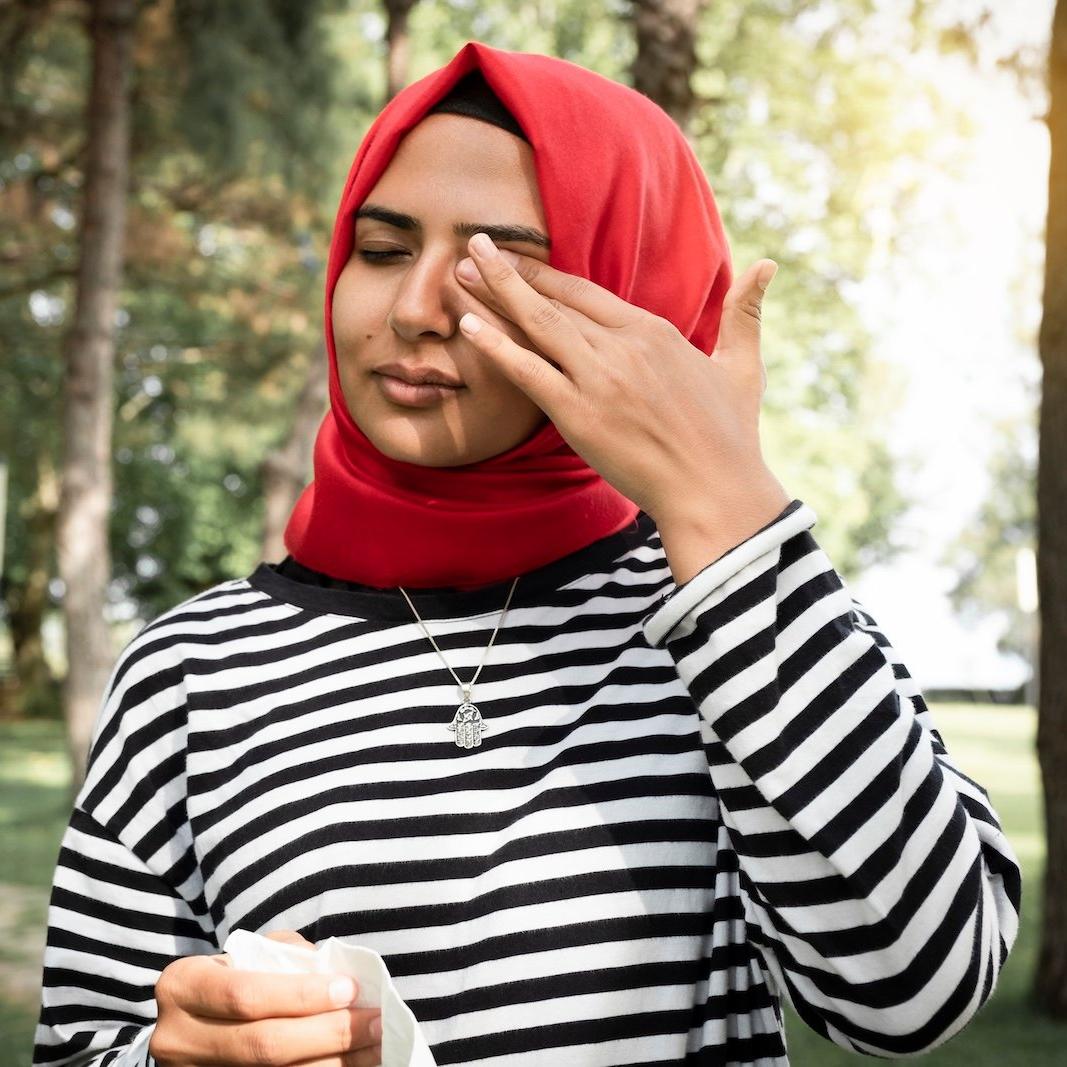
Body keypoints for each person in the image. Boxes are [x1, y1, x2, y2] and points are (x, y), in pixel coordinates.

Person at [32, 40, 1020, 1067]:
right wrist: (176, 1055)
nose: (415, 308)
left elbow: (917, 988)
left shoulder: (740, 609)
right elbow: (82, 1041)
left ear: (624, 302)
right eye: (380, 248)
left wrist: (718, 498)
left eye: (497, 270)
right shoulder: (192, 670)